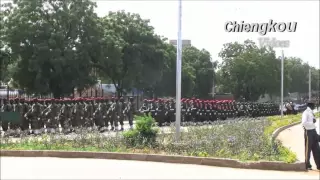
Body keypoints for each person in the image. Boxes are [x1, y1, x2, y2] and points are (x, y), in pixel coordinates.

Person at [301, 100, 320, 170]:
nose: (315, 106)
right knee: (308, 149)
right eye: (314, 105)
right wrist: (312, 122)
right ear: (310, 105)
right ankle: (307, 165)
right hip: (308, 132)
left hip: (313, 131)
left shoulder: (311, 112)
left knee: (317, 149)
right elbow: (304, 123)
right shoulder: (305, 113)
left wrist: (313, 121)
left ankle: (319, 165)